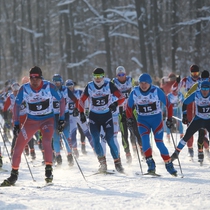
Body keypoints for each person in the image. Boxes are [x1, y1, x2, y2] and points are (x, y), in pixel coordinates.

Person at [0, 66, 65, 186]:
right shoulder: (24, 88)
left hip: (47, 120)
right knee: (18, 146)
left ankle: (49, 170)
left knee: (46, 141)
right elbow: (16, 105)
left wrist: (61, 119)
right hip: (31, 120)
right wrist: (16, 124)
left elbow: (61, 100)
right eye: (32, 78)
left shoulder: (49, 86)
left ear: (41, 78)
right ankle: (13, 175)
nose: (34, 80)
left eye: (37, 78)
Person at [126, 73, 177, 176]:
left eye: (146, 83)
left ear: (150, 83)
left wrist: (169, 118)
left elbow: (169, 104)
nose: (143, 85)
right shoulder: (135, 92)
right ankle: (150, 165)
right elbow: (128, 107)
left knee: (159, 142)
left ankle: (169, 164)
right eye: (141, 83)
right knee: (144, 141)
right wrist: (130, 118)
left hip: (156, 120)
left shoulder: (156, 91)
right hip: (142, 120)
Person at [78, 67, 125, 173]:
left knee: (110, 139)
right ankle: (102, 163)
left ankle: (117, 163)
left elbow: (122, 97)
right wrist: (81, 113)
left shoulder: (109, 85)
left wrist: (115, 104)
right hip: (94, 116)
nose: (97, 79)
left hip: (107, 116)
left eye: (99, 77)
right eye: (95, 77)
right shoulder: (89, 86)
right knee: (95, 139)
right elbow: (81, 100)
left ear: (103, 76)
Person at [171, 80, 210, 163]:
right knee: (187, 135)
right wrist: (184, 115)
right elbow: (185, 103)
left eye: (207, 89)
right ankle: (176, 153)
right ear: (200, 88)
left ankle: (204, 153)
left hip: (208, 120)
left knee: (204, 137)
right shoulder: (197, 94)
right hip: (198, 119)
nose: (205, 91)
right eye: (203, 89)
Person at [112, 66, 142, 164]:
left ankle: (142, 150)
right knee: (124, 133)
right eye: (119, 75)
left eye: (123, 74)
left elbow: (138, 90)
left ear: (125, 74)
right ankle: (127, 153)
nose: (121, 77)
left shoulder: (131, 80)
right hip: (121, 110)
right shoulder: (114, 83)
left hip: (132, 109)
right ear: (117, 76)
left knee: (137, 130)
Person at [172, 64, 201, 159]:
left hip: (198, 105)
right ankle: (190, 148)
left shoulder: (201, 80)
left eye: (196, 73)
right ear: (190, 72)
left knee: (202, 128)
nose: (195, 75)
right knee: (190, 128)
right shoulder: (186, 80)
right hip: (188, 105)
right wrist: (176, 82)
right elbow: (176, 90)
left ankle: (204, 149)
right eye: (193, 73)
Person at [52, 74, 77, 167]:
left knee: (66, 136)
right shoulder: (51, 90)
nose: (56, 83)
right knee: (55, 137)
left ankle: (70, 156)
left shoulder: (66, 90)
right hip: (54, 115)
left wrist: (76, 109)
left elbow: (75, 99)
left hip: (65, 114)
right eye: (54, 81)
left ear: (61, 81)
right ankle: (58, 157)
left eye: (58, 81)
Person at [65, 79, 93, 158]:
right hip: (71, 116)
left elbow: (86, 99)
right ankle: (75, 150)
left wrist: (86, 110)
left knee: (87, 133)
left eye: (71, 87)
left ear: (73, 86)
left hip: (80, 115)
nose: (69, 89)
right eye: (68, 87)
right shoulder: (64, 93)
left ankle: (95, 149)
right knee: (73, 134)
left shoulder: (79, 92)